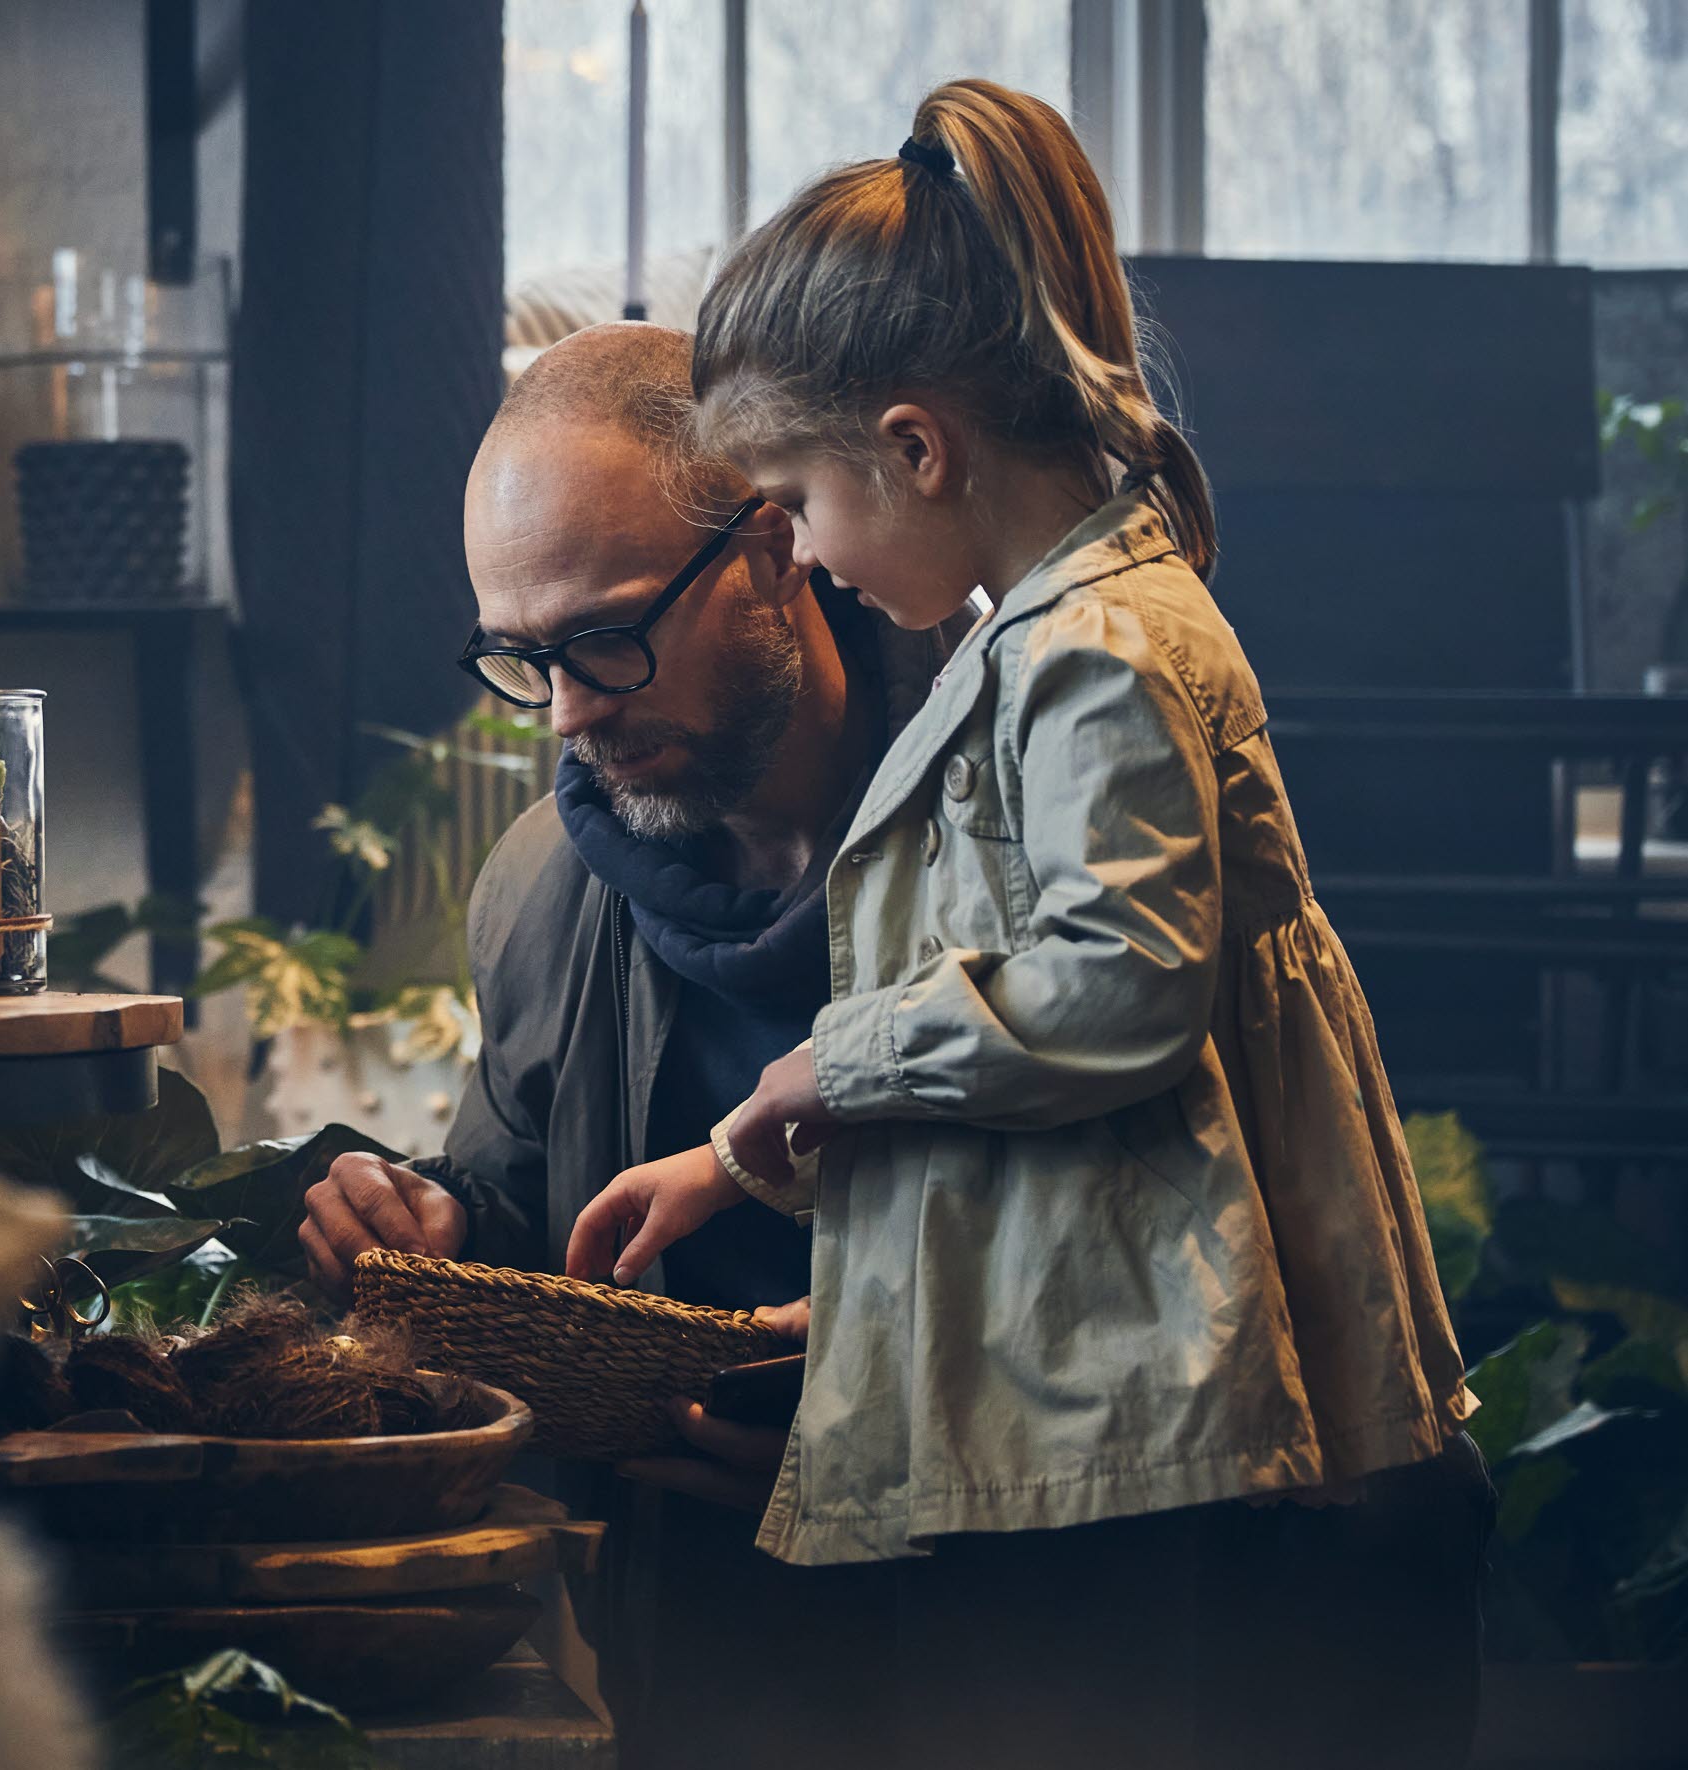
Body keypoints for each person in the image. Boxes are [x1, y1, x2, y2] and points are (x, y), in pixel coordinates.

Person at [566, 79, 1496, 1769]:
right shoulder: (1052, 632)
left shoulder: (1098, 650)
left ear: (917, 448)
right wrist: (736, 1155)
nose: (809, 557)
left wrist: (829, 1064)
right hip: (1088, 1333)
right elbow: (1005, 1028)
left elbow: (1110, 988)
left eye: (798, 500)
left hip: (1141, 1381)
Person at [299, 321, 968, 1767]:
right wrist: (424, 1221)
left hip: (1042, 1618)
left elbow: (1186, 1250)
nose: (572, 709)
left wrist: (898, 1398)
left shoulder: (1020, 822)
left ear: (778, 539)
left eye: (606, 634)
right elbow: (526, 1215)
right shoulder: (542, 881)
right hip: (714, 1637)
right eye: (522, 657)